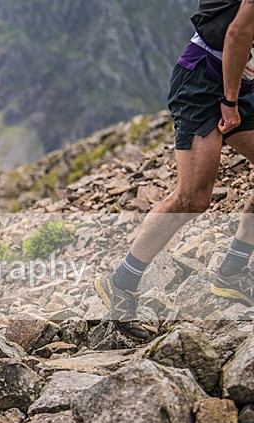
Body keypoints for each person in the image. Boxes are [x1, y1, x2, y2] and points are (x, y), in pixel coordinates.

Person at [95, 0, 254, 341]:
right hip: (204, 79)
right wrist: (229, 102)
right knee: (193, 199)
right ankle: (121, 282)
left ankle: (232, 272)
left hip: (241, 77)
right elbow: (238, 31)